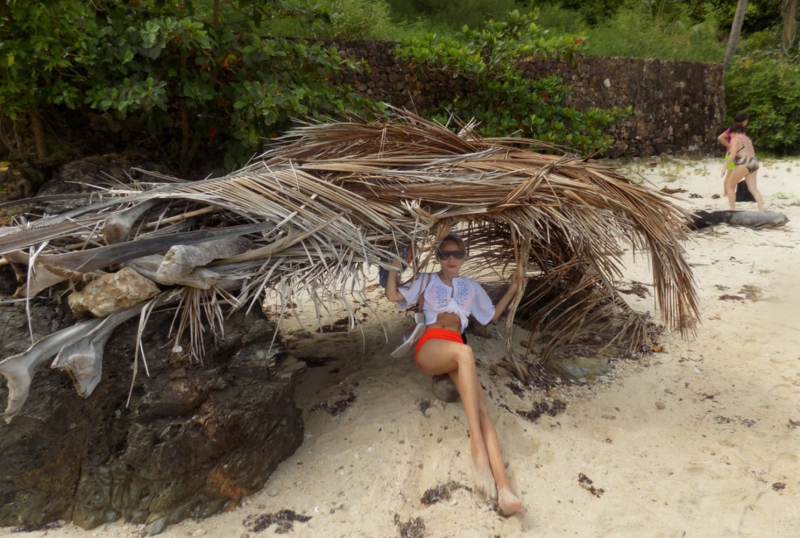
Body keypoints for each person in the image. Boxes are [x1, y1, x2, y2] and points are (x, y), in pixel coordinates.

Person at [385, 233, 527, 516]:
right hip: (430, 346)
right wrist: (392, 264)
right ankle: (477, 451)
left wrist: (512, 290)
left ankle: (505, 488)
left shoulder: (471, 287)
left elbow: (490, 316)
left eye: (457, 255)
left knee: (481, 408)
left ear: (464, 256)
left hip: (456, 349)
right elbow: (392, 295)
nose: (451, 260)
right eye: (445, 254)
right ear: (438, 257)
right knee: (466, 353)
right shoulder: (426, 280)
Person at [722, 122, 765, 211]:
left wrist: (724, 167)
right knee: (753, 188)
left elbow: (732, 155)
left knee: (730, 186)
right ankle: (761, 207)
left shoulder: (735, 139)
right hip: (754, 162)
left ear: (733, 132)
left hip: (743, 162)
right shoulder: (748, 139)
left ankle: (732, 208)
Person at [717, 112, 749, 194]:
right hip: (732, 154)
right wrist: (730, 146)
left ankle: (729, 191)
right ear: (744, 121)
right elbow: (720, 138)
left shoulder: (739, 129)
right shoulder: (733, 129)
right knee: (730, 175)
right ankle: (726, 193)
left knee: (734, 174)